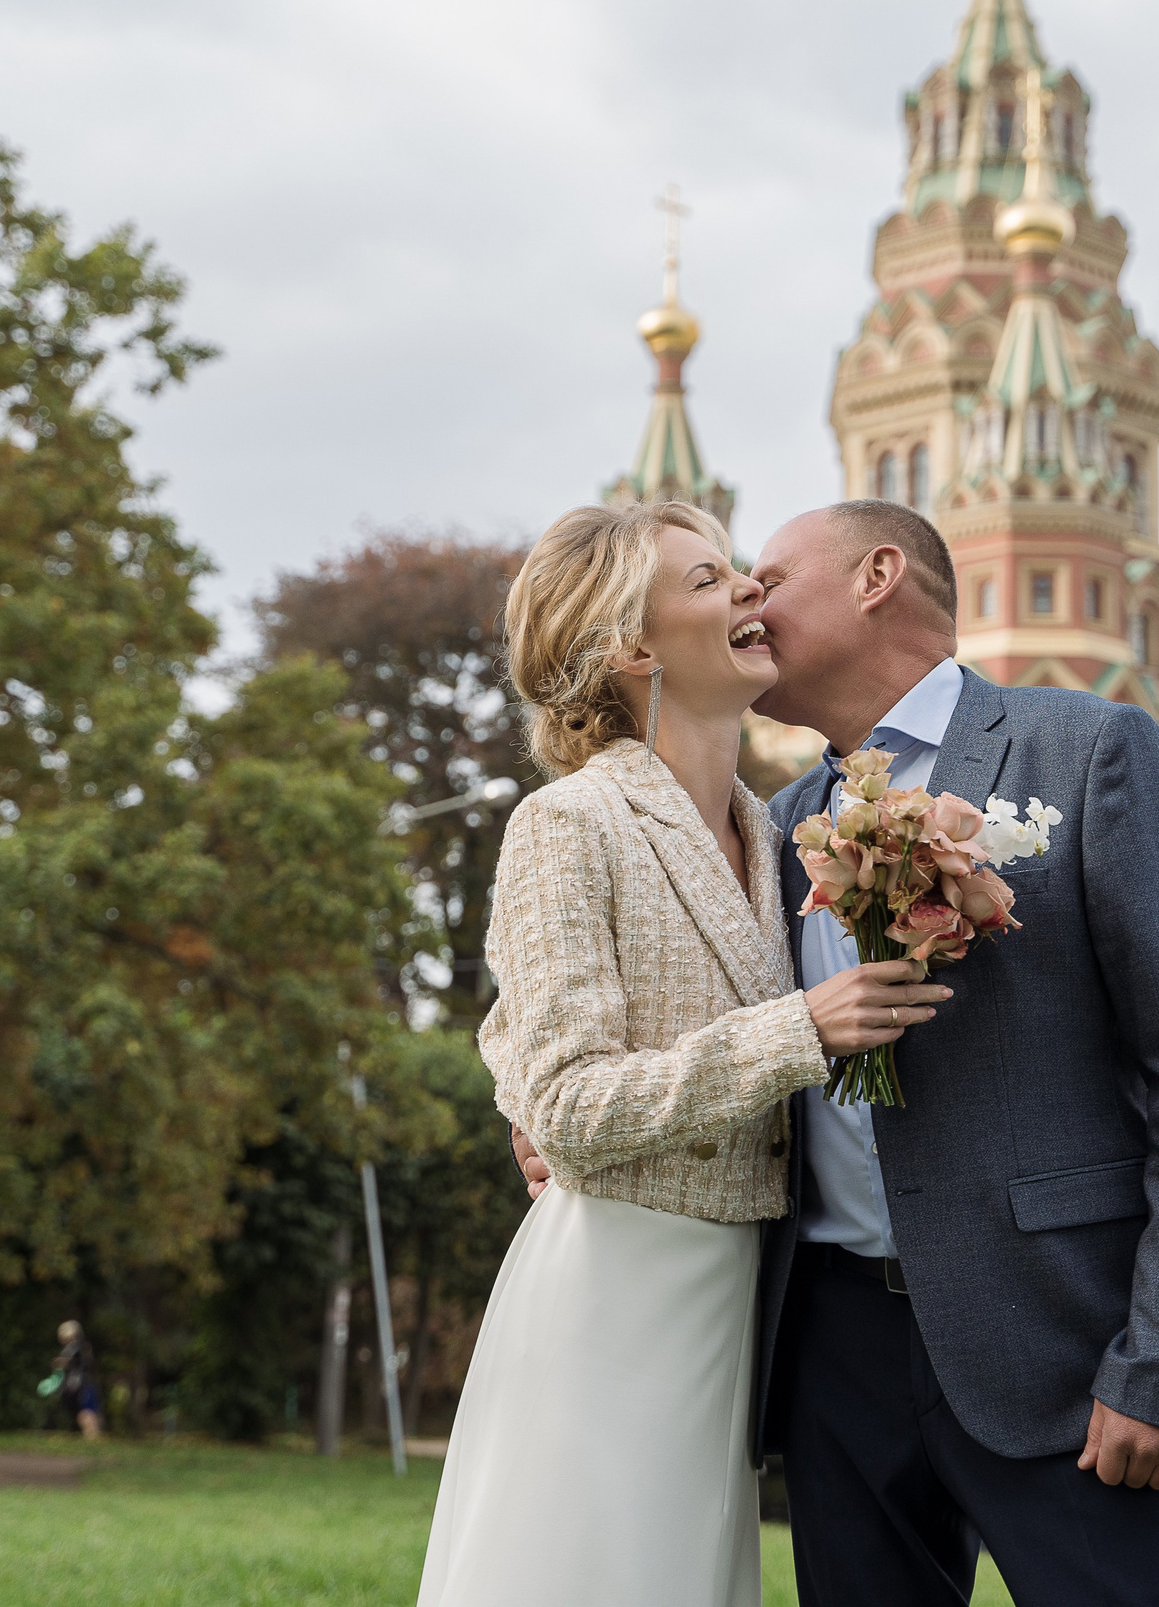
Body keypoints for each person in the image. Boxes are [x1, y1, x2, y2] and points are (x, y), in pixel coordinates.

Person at [517, 499, 1159, 1606]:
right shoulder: (772, 828)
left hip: (1065, 1347)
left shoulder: (1087, 752)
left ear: (876, 577)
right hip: (834, 1357)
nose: (748, 603)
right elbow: (661, 1032)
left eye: (767, 576)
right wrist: (538, 1114)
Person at [417, 501, 948, 1607]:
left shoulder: (781, 830)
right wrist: (802, 1031)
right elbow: (567, 1104)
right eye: (710, 581)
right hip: (615, 1294)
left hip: (741, 1311)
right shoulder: (568, 823)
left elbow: (523, 1053)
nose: (750, 592)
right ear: (635, 649)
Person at [53, 1320, 102, 1441]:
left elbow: (69, 1362)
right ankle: (92, 1437)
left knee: (85, 1413)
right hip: (85, 1383)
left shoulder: (75, 1347)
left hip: (82, 1385)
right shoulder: (82, 1346)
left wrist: (59, 1363)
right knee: (86, 1412)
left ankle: (92, 1437)